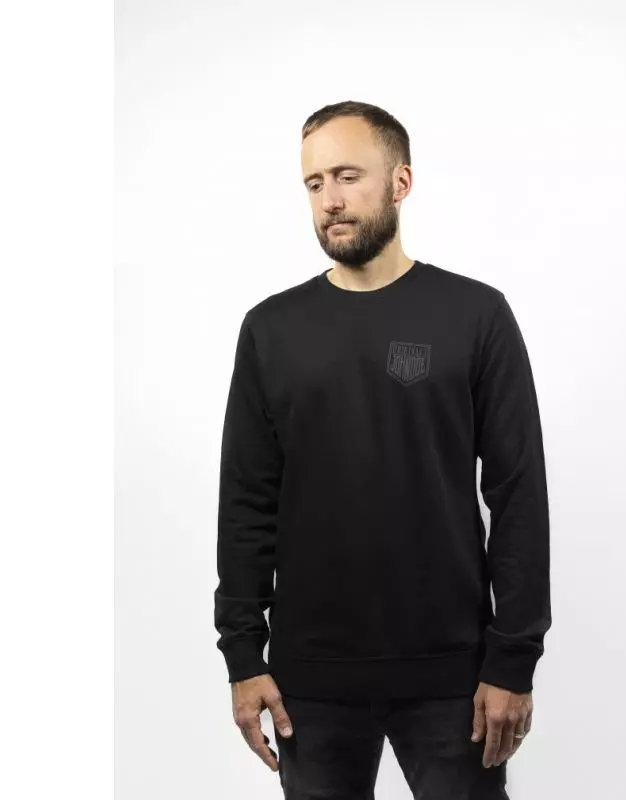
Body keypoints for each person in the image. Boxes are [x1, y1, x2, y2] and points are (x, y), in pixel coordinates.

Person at [213, 100, 551, 799]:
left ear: (401, 182)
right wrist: (243, 655)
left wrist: (513, 658)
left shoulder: (474, 315)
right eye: (314, 183)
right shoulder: (271, 330)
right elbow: (246, 501)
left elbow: (518, 491)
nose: (329, 200)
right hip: (311, 681)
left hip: (454, 676)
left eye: (347, 176)